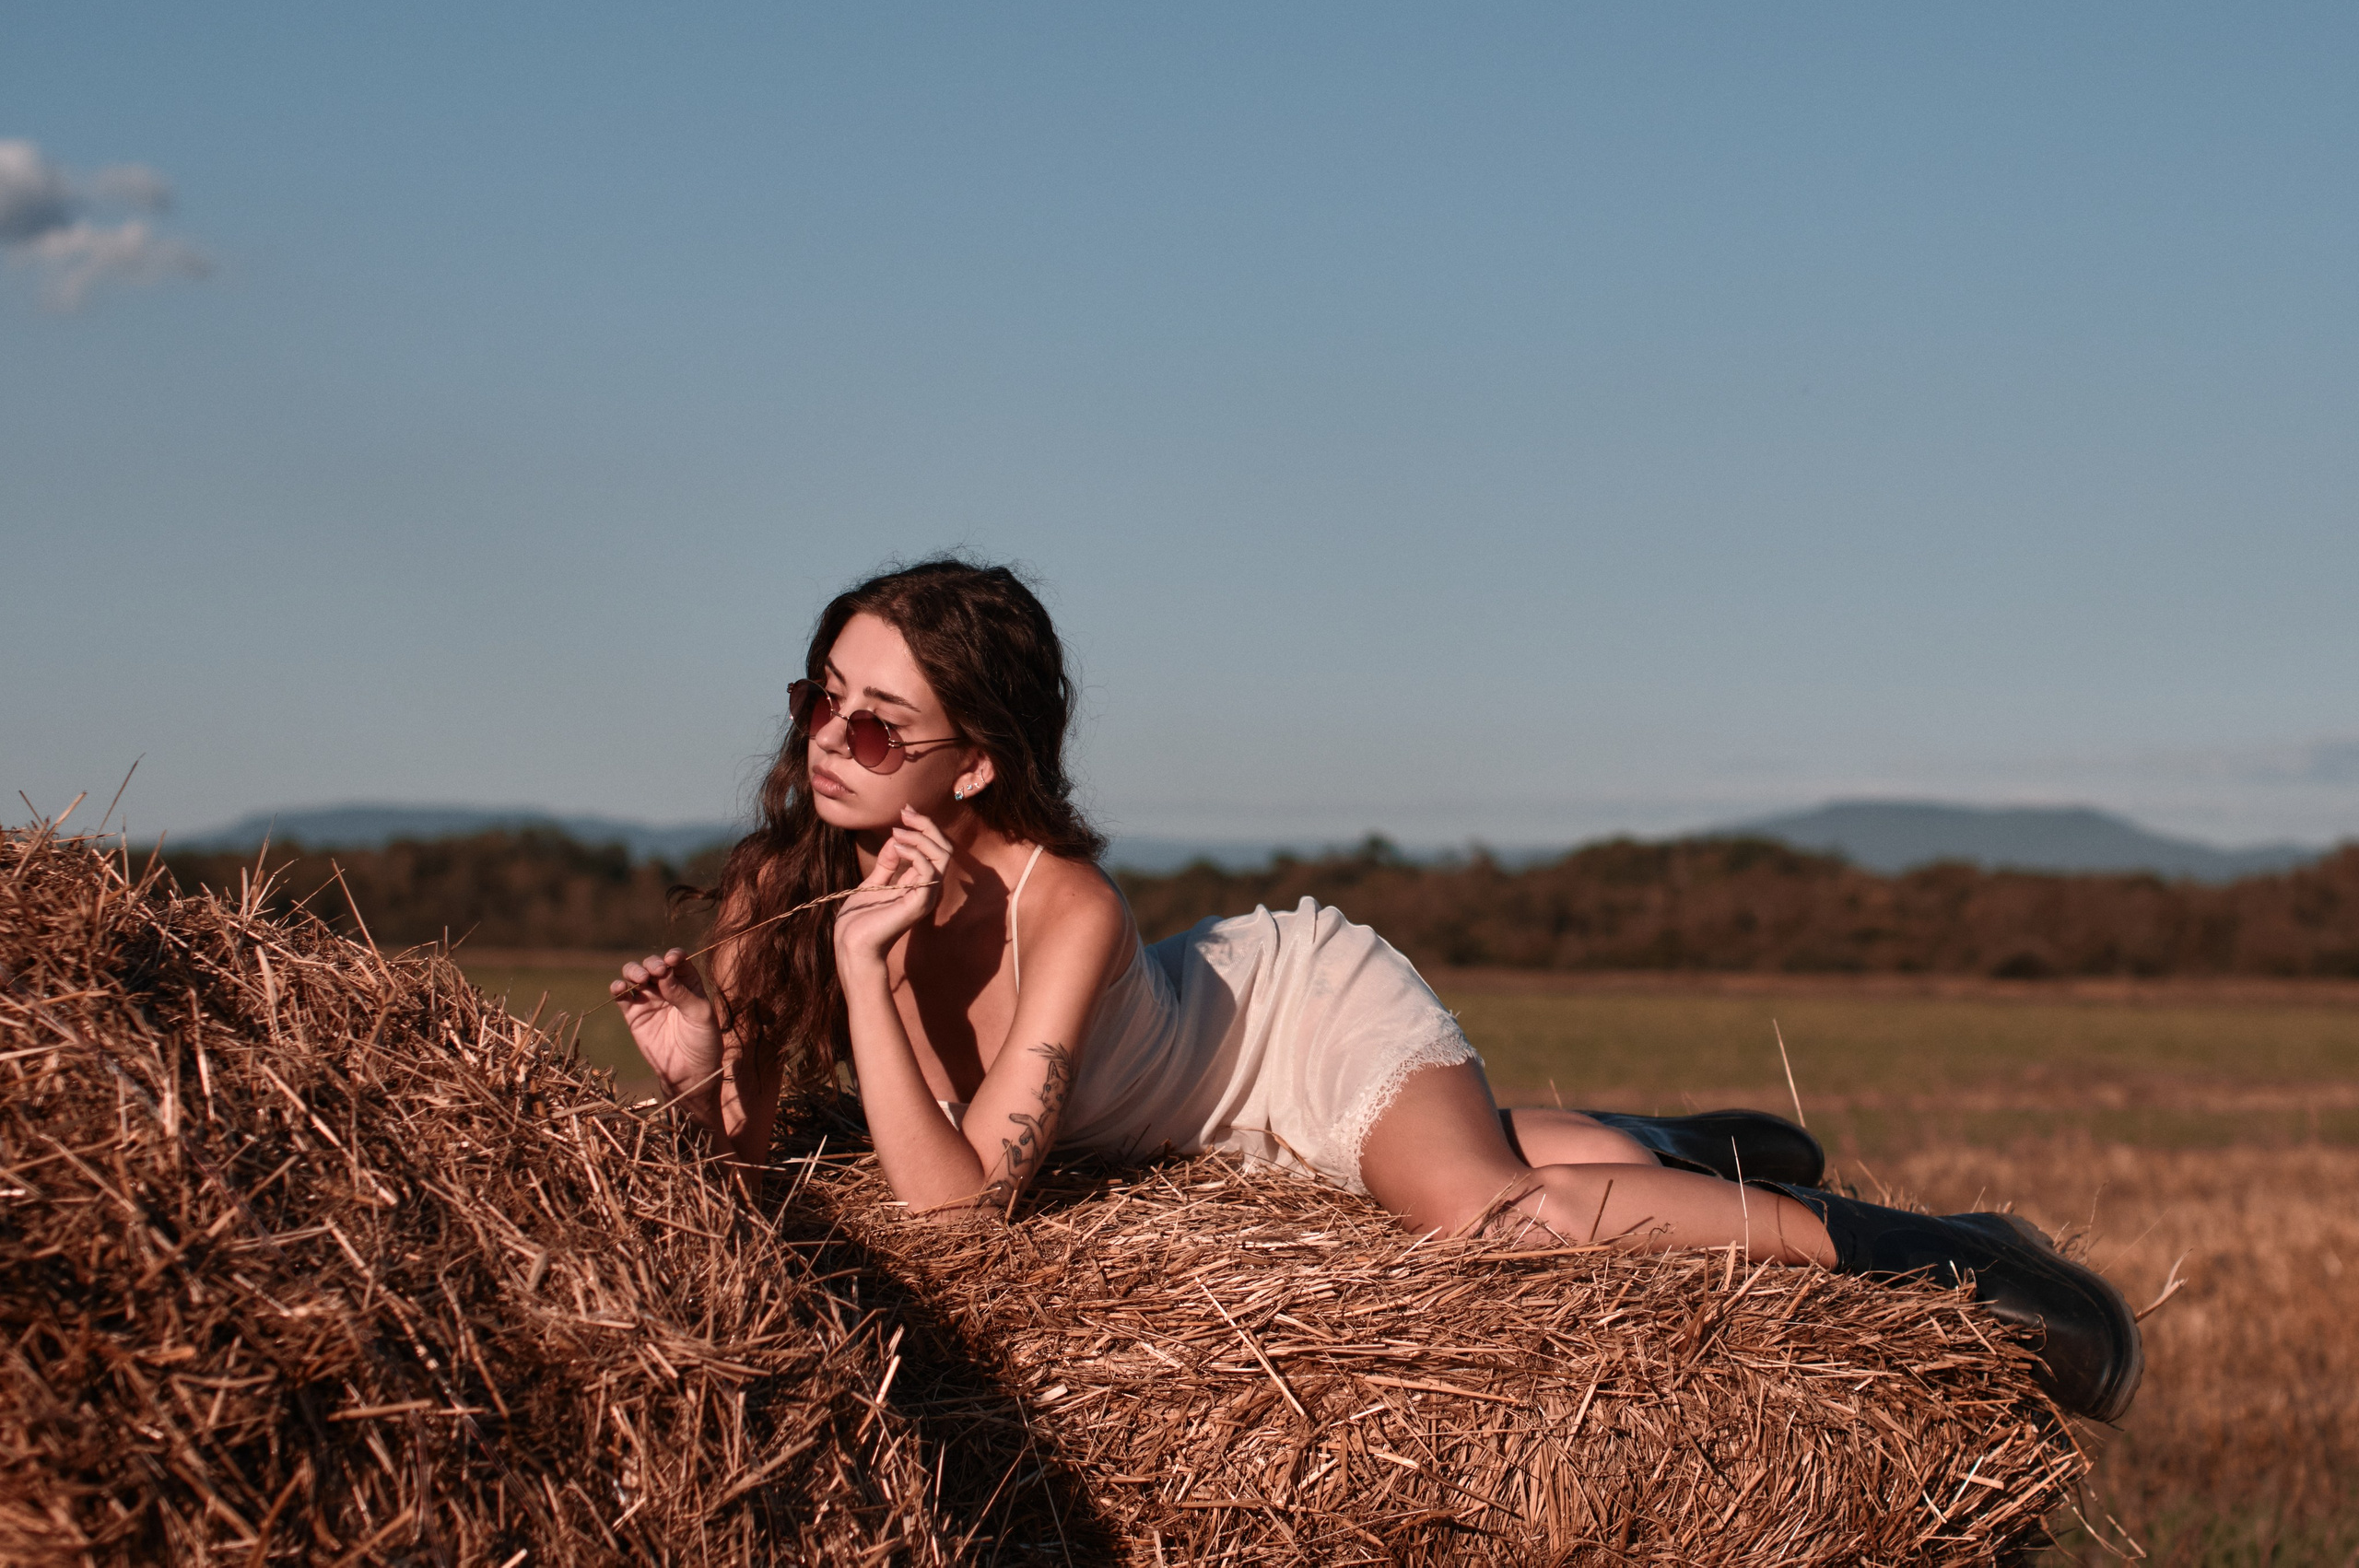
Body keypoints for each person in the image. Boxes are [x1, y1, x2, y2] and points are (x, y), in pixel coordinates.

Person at [615, 558, 2142, 1422]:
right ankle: (1646, 1141)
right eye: (823, 697)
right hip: (1211, 1147)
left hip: (1295, 1034)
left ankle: (1940, 1258)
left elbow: (956, 1218)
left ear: (981, 762)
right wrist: (699, 1076)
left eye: (882, 725)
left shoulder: (1062, 908)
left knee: (1490, 1224)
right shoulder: (781, 892)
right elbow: (742, 1177)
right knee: (1493, 1172)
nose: (832, 741)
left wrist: (871, 986)